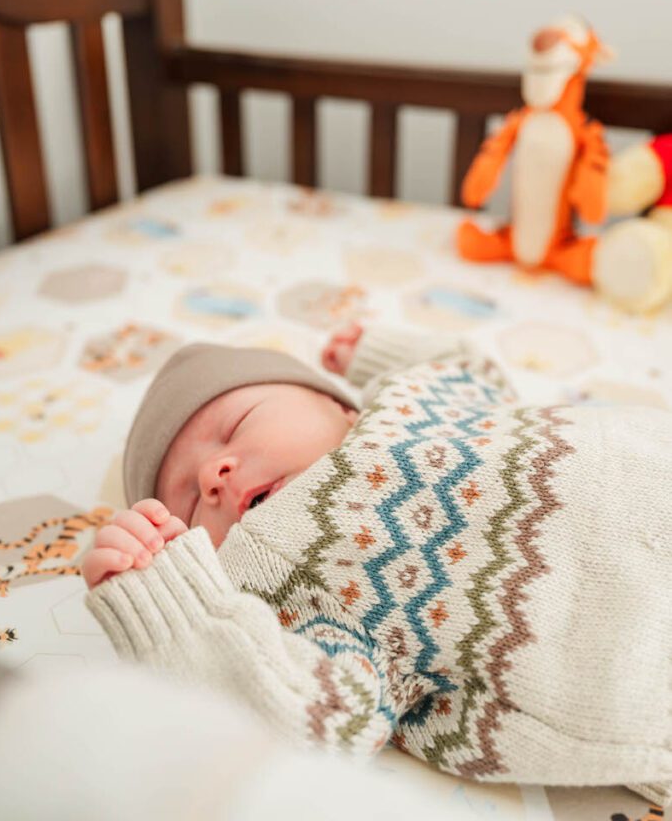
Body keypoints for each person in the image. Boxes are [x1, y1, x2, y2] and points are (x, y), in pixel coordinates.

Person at [83, 322, 672, 807]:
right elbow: (307, 723)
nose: (214, 475)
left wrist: (378, 353)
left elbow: (474, 373)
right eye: (186, 502)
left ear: (336, 404)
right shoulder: (287, 588)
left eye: (235, 427)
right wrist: (174, 606)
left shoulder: (412, 395)